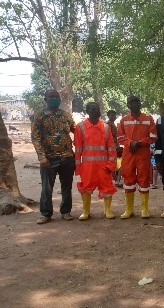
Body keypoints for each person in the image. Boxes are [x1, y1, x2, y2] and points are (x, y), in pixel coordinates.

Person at [31, 89, 76, 224]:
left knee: (67, 186)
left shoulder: (66, 115)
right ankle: (46, 214)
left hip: (67, 156)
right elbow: (35, 137)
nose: (54, 99)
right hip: (48, 158)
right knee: (46, 187)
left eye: (56, 97)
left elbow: (76, 131)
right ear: (45, 99)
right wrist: (41, 156)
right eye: (50, 97)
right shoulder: (39, 115)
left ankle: (66, 211)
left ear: (60, 99)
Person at [74, 102, 117, 220]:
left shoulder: (106, 127)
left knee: (107, 187)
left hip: (104, 166)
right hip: (88, 166)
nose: (95, 111)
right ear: (87, 111)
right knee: (85, 188)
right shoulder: (80, 127)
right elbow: (78, 149)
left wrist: (111, 165)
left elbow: (112, 149)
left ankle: (108, 211)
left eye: (97, 109)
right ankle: (86, 212)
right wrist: (79, 168)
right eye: (92, 109)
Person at [117, 95, 157, 219]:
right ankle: (129, 210)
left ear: (140, 103)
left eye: (136, 102)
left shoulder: (148, 118)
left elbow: (153, 136)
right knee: (128, 180)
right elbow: (120, 137)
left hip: (143, 153)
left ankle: (144, 210)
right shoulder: (123, 120)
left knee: (144, 180)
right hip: (129, 154)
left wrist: (139, 143)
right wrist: (131, 143)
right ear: (128, 105)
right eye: (131, 102)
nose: (134, 104)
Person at [106, 110, 123, 187]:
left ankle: (117, 179)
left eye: (114, 115)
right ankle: (117, 180)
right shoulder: (107, 125)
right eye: (112, 115)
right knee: (116, 163)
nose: (113, 116)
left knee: (118, 163)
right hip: (111, 148)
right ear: (108, 116)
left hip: (115, 147)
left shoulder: (113, 125)